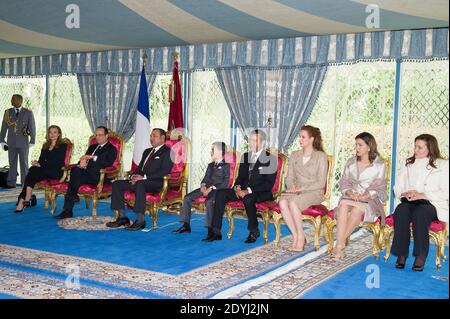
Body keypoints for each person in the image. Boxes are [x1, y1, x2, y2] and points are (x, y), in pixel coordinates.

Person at [207, 129, 277, 243]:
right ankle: (216, 231)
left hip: (261, 192)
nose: (252, 143)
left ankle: (254, 230)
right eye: (251, 140)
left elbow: (268, 184)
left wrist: (248, 191)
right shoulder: (245, 156)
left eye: (256, 140)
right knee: (220, 193)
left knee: (248, 198)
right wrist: (237, 187)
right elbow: (240, 177)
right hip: (242, 191)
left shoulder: (271, 159)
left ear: (263, 143)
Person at [391, 134, 449, 271]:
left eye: (420, 147)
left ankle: (420, 255)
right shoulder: (408, 163)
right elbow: (397, 187)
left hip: (431, 203)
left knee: (420, 213)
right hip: (410, 201)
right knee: (401, 210)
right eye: (415, 146)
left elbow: (446, 192)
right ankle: (402, 254)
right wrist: (405, 192)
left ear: (430, 149)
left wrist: (423, 194)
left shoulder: (443, 165)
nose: (415, 150)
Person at [332, 132, 387, 259]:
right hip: (350, 197)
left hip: (369, 201)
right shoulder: (351, 162)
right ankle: (340, 245)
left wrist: (364, 196)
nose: (357, 148)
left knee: (351, 207)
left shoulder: (380, 165)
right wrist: (350, 192)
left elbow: (380, 187)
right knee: (344, 205)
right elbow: (344, 181)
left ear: (369, 147)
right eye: (356, 145)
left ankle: (339, 245)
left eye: (360, 145)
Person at [107, 128, 173, 231]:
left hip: (156, 183)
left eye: (154, 136)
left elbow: (164, 171)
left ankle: (140, 220)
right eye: (151, 136)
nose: (151, 138)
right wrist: (132, 177)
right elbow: (139, 168)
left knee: (140, 184)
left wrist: (143, 177)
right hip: (141, 181)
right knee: (116, 184)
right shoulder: (147, 151)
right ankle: (122, 217)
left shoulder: (168, 152)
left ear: (162, 138)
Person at [279, 125, 328, 251]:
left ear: (311, 139)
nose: (300, 140)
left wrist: (301, 189)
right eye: (299, 137)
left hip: (314, 191)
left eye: (303, 137)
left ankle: (301, 237)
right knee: (282, 202)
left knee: (294, 203)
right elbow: (289, 177)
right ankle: (295, 235)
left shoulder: (321, 156)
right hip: (296, 190)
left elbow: (321, 183)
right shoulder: (295, 155)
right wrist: (291, 187)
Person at [54, 126, 117, 219]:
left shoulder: (111, 149)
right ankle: (68, 208)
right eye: (96, 135)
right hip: (87, 174)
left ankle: (68, 208)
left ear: (106, 136)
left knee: (73, 182)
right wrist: (82, 163)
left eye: (100, 135)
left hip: (99, 176)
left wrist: (93, 158)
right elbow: (84, 159)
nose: (98, 137)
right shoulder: (92, 147)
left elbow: (107, 163)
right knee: (75, 170)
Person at [173, 141, 230, 240]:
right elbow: (205, 178)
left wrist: (211, 188)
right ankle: (186, 225)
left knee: (208, 202)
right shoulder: (210, 165)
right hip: (206, 188)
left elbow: (225, 183)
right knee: (187, 198)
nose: (211, 151)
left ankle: (210, 230)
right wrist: (203, 185)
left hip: (218, 190)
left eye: (213, 149)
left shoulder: (226, 166)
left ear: (220, 151)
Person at [14, 125, 67, 213]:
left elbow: (56, 161)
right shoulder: (45, 145)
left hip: (56, 171)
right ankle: (26, 199)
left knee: (32, 171)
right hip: (45, 170)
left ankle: (23, 200)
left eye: (55, 132)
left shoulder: (63, 145)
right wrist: (37, 163)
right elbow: (41, 160)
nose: (52, 134)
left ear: (59, 134)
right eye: (50, 132)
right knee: (33, 169)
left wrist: (41, 165)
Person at [0, 94, 36, 188]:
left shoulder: (28, 112)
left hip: (23, 142)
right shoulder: (7, 112)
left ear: (19, 101)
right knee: (12, 163)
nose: (11, 101)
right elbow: (4, 127)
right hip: (11, 142)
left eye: (13, 99)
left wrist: (32, 140)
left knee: (24, 163)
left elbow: (32, 127)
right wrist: (2, 140)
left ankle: (25, 183)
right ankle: (11, 183)